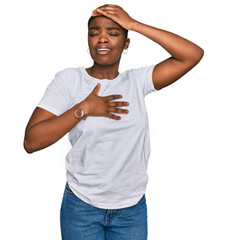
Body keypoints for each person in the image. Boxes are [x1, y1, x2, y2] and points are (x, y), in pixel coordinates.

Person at [23, 4, 204, 240]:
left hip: (132, 209)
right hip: (81, 207)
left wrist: (134, 25)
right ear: (88, 40)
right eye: (94, 32)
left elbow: (192, 54)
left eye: (114, 32)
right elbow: (31, 141)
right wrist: (84, 108)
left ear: (126, 44)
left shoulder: (137, 81)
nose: (102, 39)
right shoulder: (70, 80)